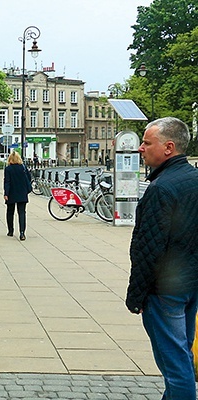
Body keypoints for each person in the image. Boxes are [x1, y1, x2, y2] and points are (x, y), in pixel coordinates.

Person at [125, 117, 198, 400]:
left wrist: (136, 296)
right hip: (190, 284)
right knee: (181, 354)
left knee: (176, 364)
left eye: (147, 142)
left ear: (168, 147)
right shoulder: (193, 179)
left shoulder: (161, 189)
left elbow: (147, 249)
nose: (141, 148)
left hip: (165, 289)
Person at [3, 151, 32, 241]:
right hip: (22, 192)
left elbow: (7, 181)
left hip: (11, 192)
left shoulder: (8, 169)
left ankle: (10, 231)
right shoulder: (23, 167)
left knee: (10, 212)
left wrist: (6, 193)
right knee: (22, 212)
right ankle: (22, 233)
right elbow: (29, 178)